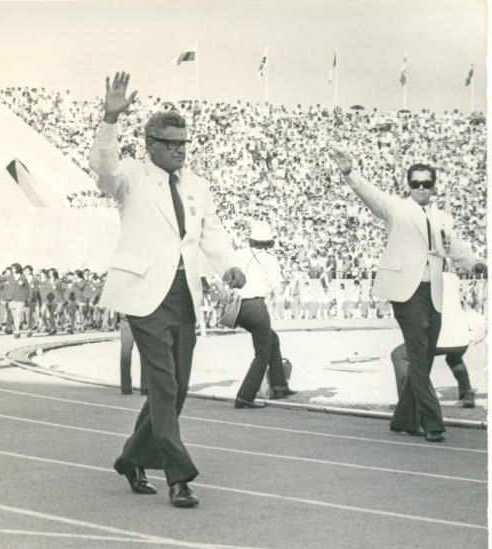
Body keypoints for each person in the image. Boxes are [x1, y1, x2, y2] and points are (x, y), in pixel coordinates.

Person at [91, 72, 244, 507]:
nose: (180, 151)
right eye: (172, 144)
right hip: (143, 295)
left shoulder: (197, 184)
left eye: (184, 144)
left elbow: (210, 233)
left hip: (184, 296)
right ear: (151, 145)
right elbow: (103, 168)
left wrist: (228, 265)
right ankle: (179, 476)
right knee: (162, 383)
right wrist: (109, 119)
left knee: (176, 389)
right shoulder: (130, 178)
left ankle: (132, 458)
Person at [332, 150, 481, 443]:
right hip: (406, 292)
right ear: (408, 185)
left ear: (434, 185)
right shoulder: (396, 209)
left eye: (427, 183)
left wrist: (476, 263)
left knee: (423, 358)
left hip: (433, 292)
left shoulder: (443, 218)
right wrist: (350, 172)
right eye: (416, 183)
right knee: (417, 356)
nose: (421, 188)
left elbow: (454, 248)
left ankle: (402, 419)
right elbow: (371, 195)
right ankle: (432, 422)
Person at [230, 221, 296, 408]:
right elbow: (279, 288)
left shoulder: (238, 254)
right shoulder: (269, 259)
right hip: (256, 306)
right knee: (262, 351)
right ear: (268, 242)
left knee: (272, 340)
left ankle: (280, 385)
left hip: (237, 307)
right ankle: (245, 396)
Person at [390, 270, 479, 408]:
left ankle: (406, 403)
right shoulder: (452, 277)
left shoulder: (423, 277)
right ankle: (467, 392)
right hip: (462, 336)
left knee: (398, 355)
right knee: (454, 359)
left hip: (441, 335)